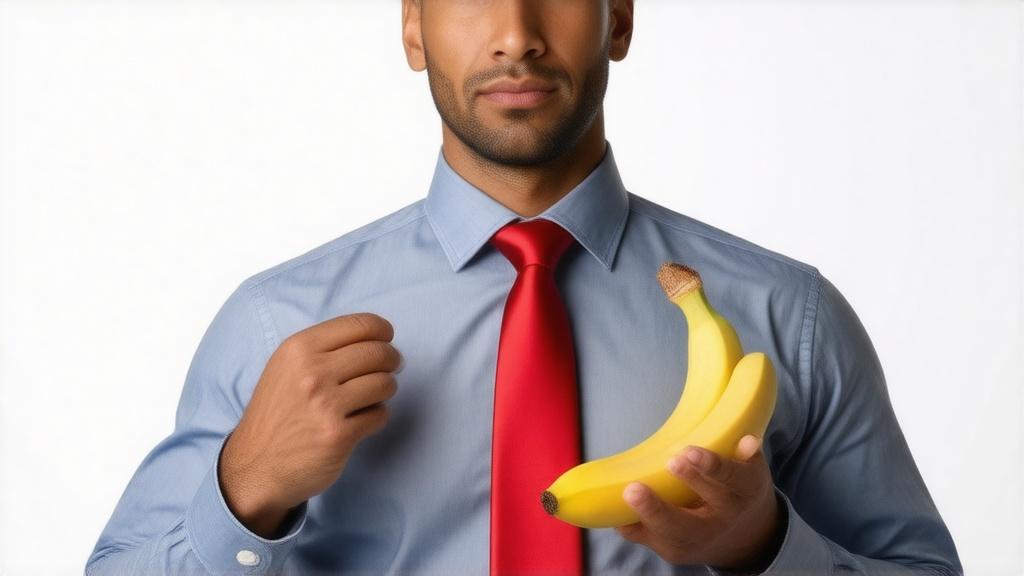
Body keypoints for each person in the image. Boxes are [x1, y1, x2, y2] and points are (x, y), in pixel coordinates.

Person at [86, 1, 963, 574]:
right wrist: (244, 490)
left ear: (619, 18)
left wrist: (763, 547)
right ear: (413, 29)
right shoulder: (278, 321)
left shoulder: (785, 318)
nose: (516, 33)